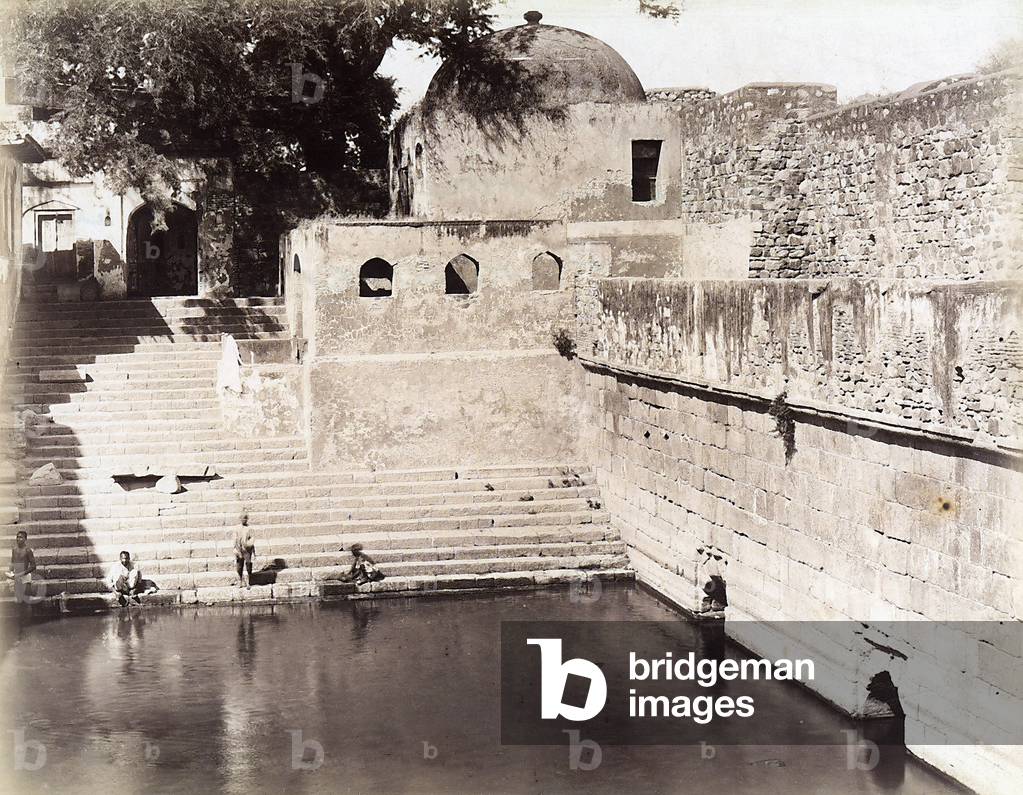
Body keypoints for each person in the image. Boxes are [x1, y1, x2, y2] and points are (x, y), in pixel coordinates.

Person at [6, 530, 37, 604]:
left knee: (26, 601)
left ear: (25, 539)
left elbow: (33, 566)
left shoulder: (28, 550)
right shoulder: (14, 549)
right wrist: (10, 572)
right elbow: (13, 561)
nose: (18, 539)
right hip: (17, 577)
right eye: (17, 537)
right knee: (19, 600)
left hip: (25, 577)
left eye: (21, 537)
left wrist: (21, 574)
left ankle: (28, 615)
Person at [234, 513, 256, 588]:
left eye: (245, 518)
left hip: (247, 550)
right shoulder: (237, 528)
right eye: (242, 518)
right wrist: (237, 548)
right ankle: (240, 580)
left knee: (248, 564)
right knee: (239, 565)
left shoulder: (250, 528)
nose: (244, 520)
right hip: (239, 548)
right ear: (240, 519)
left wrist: (248, 544)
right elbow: (235, 539)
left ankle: (248, 581)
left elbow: (252, 538)